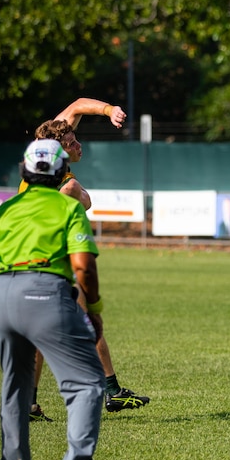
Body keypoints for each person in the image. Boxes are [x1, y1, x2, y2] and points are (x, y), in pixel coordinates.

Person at [0, 139, 108, 460]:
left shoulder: (5, 210)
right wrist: (95, 310)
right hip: (46, 293)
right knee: (86, 385)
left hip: (0, 297)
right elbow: (83, 267)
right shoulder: (68, 207)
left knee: (15, 388)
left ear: (24, 170)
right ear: (61, 172)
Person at [24, 100, 149, 421]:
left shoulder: (44, 149)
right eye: (72, 144)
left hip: (31, 263)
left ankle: (29, 405)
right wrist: (78, 194)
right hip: (50, 265)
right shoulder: (66, 186)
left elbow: (77, 106)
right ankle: (112, 392)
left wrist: (110, 111)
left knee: (41, 337)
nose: (79, 145)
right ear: (59, 152)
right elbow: (83, 202)